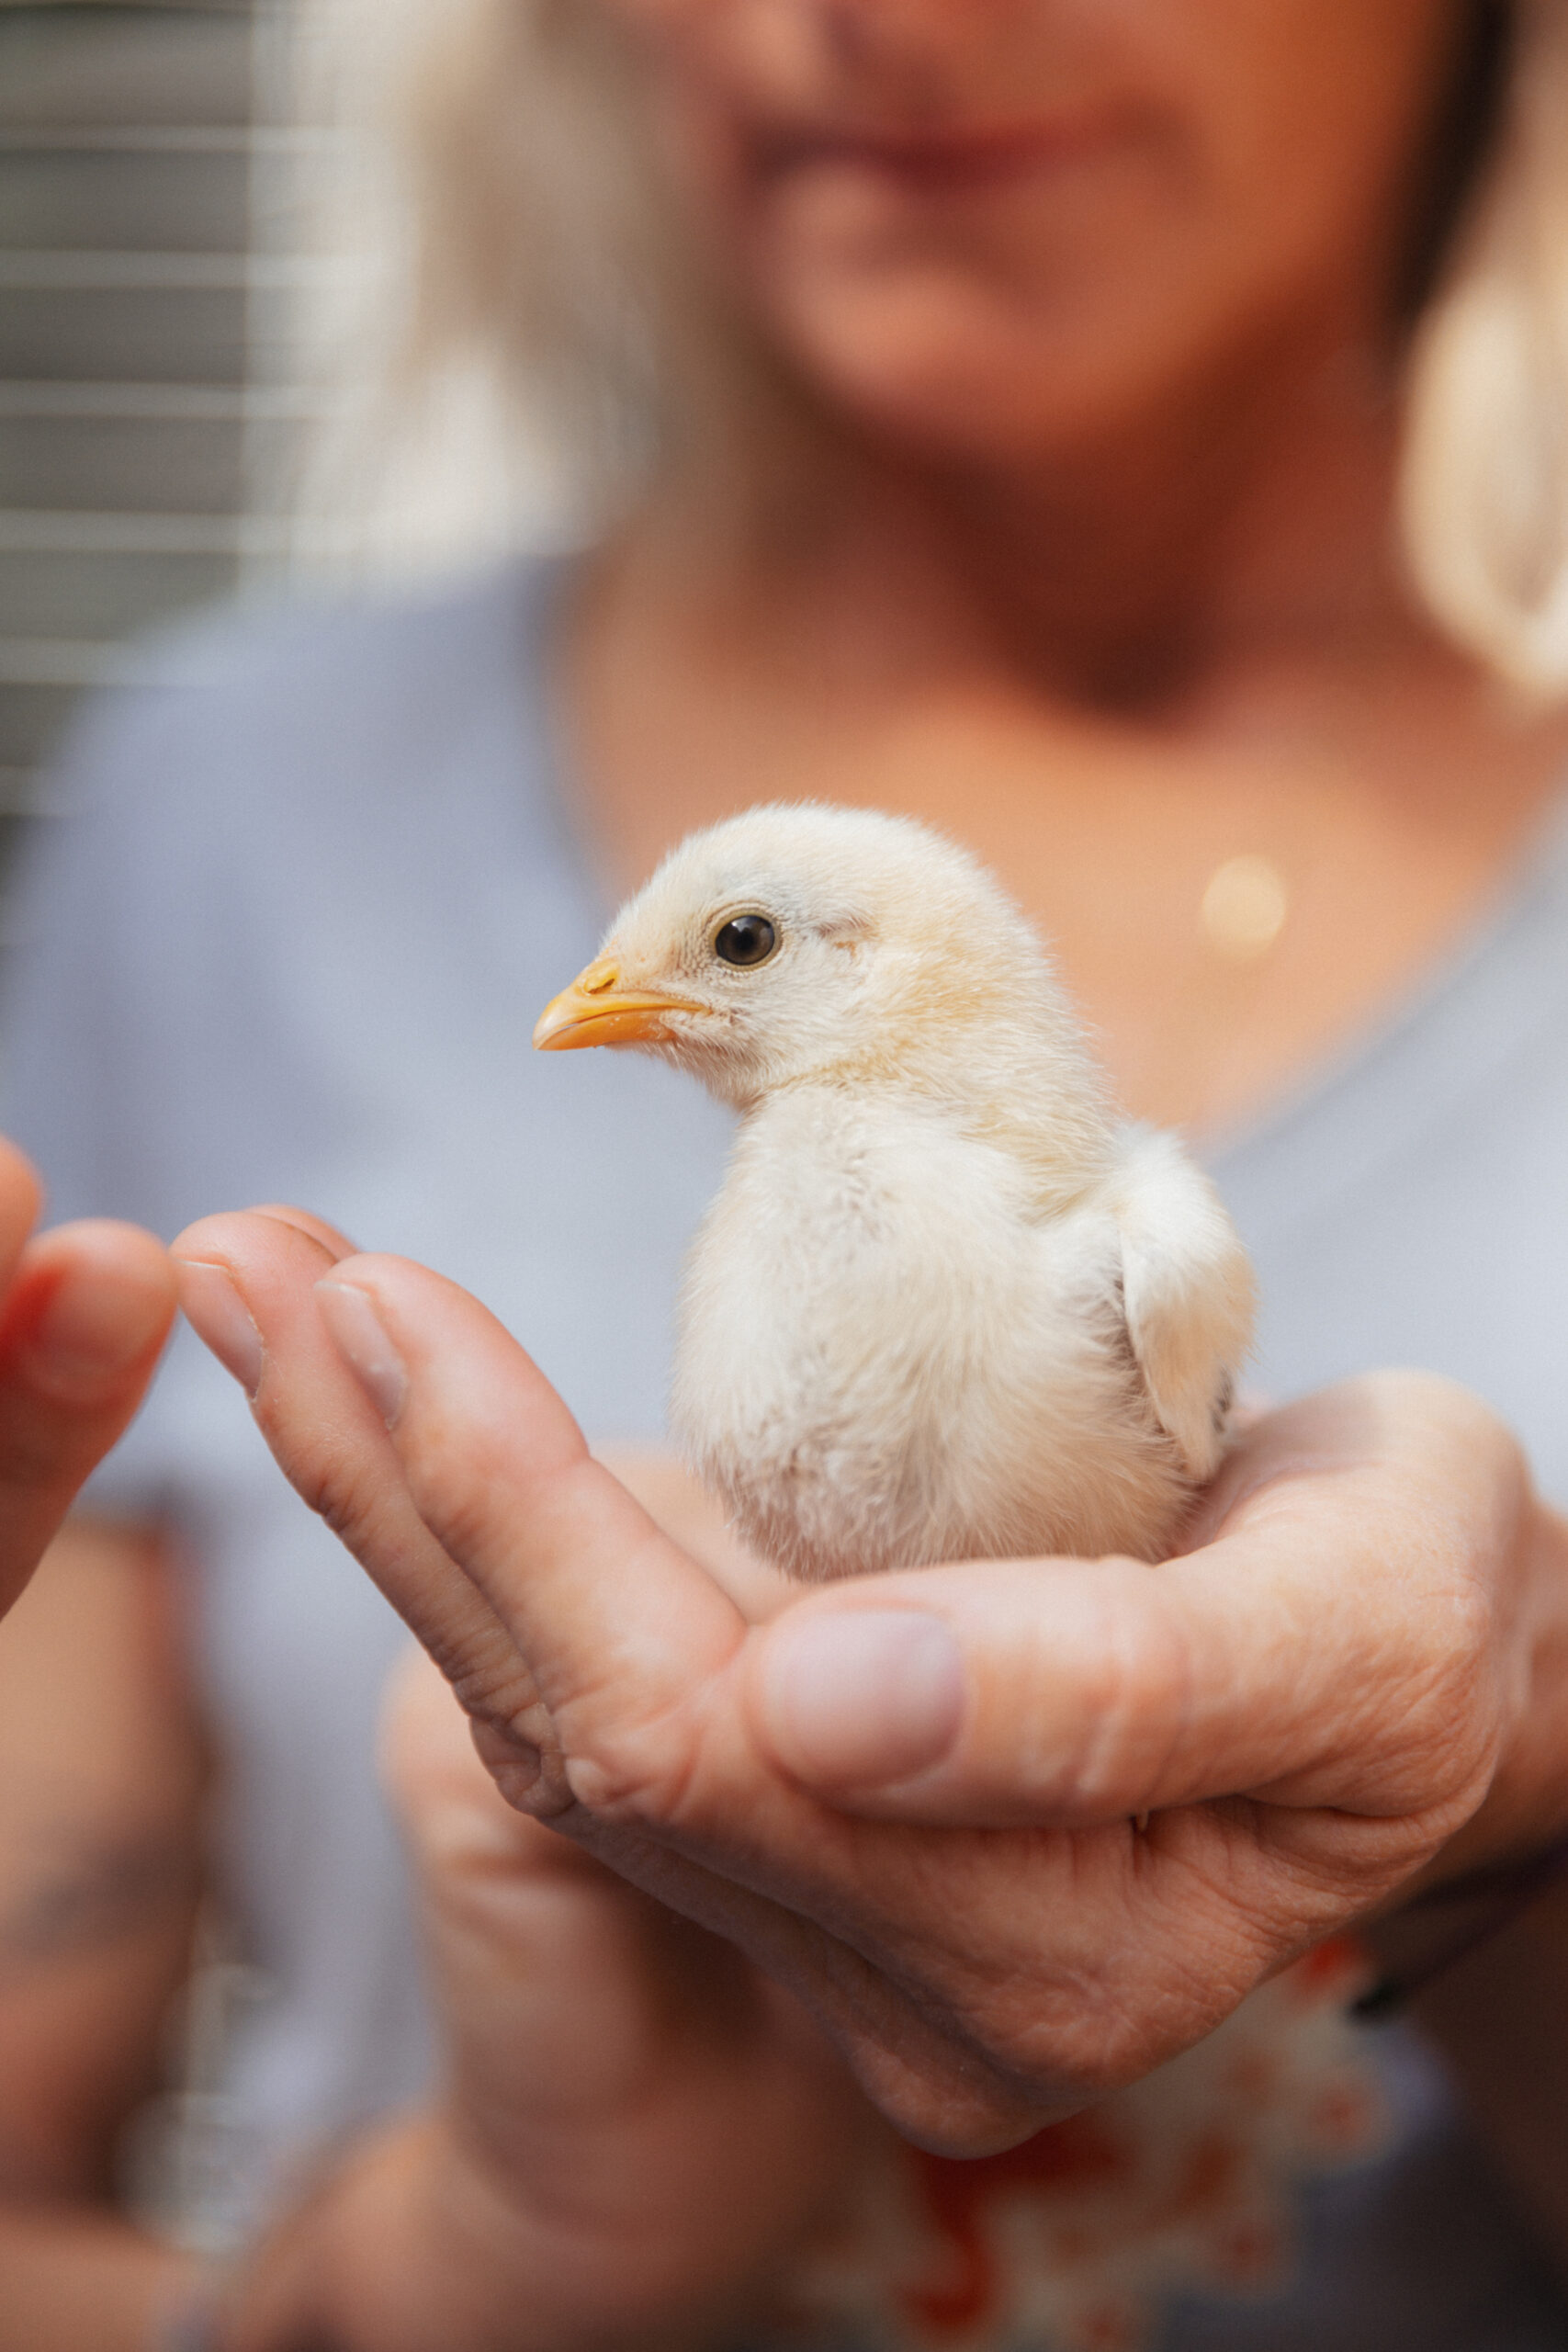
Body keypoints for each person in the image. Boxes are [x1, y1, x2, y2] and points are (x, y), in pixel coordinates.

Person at [4, 0, 1568, 2344]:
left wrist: (1514, 1815)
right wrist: (463, 2267)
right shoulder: (229, 816)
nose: (877, 18)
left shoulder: (1120, 1237)